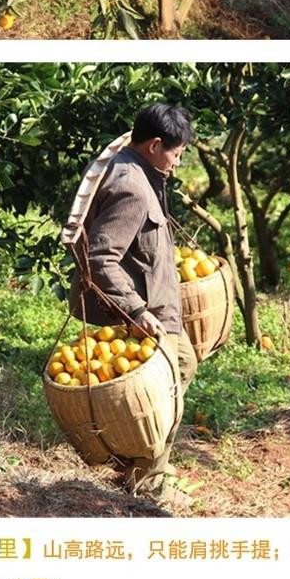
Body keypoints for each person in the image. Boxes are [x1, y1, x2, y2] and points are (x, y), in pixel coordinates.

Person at [69, 102, 198, 505]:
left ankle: (141, 469)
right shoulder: (131, 185)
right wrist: (139, 312)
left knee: (180, 370)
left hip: (153, 302)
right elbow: (101, 259)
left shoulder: (137, 166)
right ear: (156, 145)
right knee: (165, 388)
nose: (177, 164)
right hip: (144, 311)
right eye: (176, 154)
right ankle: (147, 478)